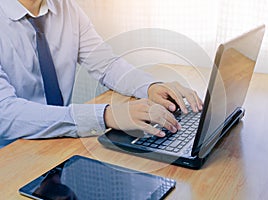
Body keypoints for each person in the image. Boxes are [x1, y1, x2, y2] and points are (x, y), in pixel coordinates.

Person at [0, 0, 202, 148]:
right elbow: (4, 114)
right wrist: (106, 115)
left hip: (57, 142)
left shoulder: (67, 7)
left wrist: (150, 87)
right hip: (11, 153)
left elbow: (107, 64)